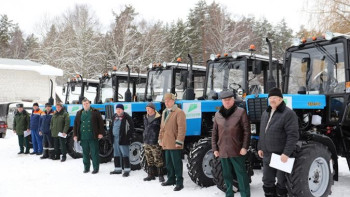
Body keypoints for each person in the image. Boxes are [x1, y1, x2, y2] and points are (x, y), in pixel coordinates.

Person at [257, 87, 299, 197]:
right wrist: (260, 147)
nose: (272, 100)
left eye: (274, 98)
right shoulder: (266, 113)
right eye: (270, 98)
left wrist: (286, 153)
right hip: (267, 154)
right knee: (267, 180)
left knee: (282, 183)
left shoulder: (288, 113)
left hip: (281, 156)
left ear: (281, 99)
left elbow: (293, 135)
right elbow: (262, 132)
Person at [211, 91, 251, 197]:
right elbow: (214, 133)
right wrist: (215, 149)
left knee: (241, 175)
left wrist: (244, 147)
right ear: (222, 101)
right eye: (224, 100)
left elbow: (247, 131)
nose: (227, 102)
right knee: (227, 176)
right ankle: (229, 194)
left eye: (229, 99)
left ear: (233, 100)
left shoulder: (241, 112)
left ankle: (245, 195)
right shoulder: (218, 114)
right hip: (223, 150)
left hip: (237, 150)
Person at [158, 93, 186, 191]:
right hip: (166, 142)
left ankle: (179, 182)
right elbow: (162, 128)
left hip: (174, 143)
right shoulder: (165, 112)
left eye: (169, 101)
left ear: (173, 101)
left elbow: (182, 129)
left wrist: (179, 141)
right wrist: (160, 139)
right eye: (165, 101)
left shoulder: (179, 112)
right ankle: (171, 179)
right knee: (169, 163)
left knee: (176, 163)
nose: (167, 103)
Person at [73, 98, 104, 174]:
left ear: (89, 104)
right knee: (85, 153)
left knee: (94, 153)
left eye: (87, 103)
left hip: (93, 136)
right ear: (82, 105)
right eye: (84, 104)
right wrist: (75, 135)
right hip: (83, 136)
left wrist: (101, 133)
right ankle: (86, 168)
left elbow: (100, 123)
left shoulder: (95, 112)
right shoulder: (79, 113)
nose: (86, 105)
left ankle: (96, 168)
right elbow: (76, 125)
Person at [109, 104, 134, 177]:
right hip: (115, 138)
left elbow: (131, 128)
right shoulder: (114, 117)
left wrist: (127, 137)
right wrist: (110, 136)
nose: (118, 110)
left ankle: (127, 170)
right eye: (117, 109)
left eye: (120, 109)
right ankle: (118, 169)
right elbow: (111, 127)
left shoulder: (126, 117)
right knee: (116, 154)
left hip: (123, 138)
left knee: (125, 154)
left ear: (123, 110)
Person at [143, 102, 164, 182]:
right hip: (147, 141)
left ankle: (160, 175)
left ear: (153, 109)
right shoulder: (145, 117)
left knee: (158, 159)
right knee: (149, 159)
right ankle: (150, 175)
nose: (147, 110)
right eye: (146, 109)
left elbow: (162, 129)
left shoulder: (159, 118)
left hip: (155, 141)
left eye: (149, 109)